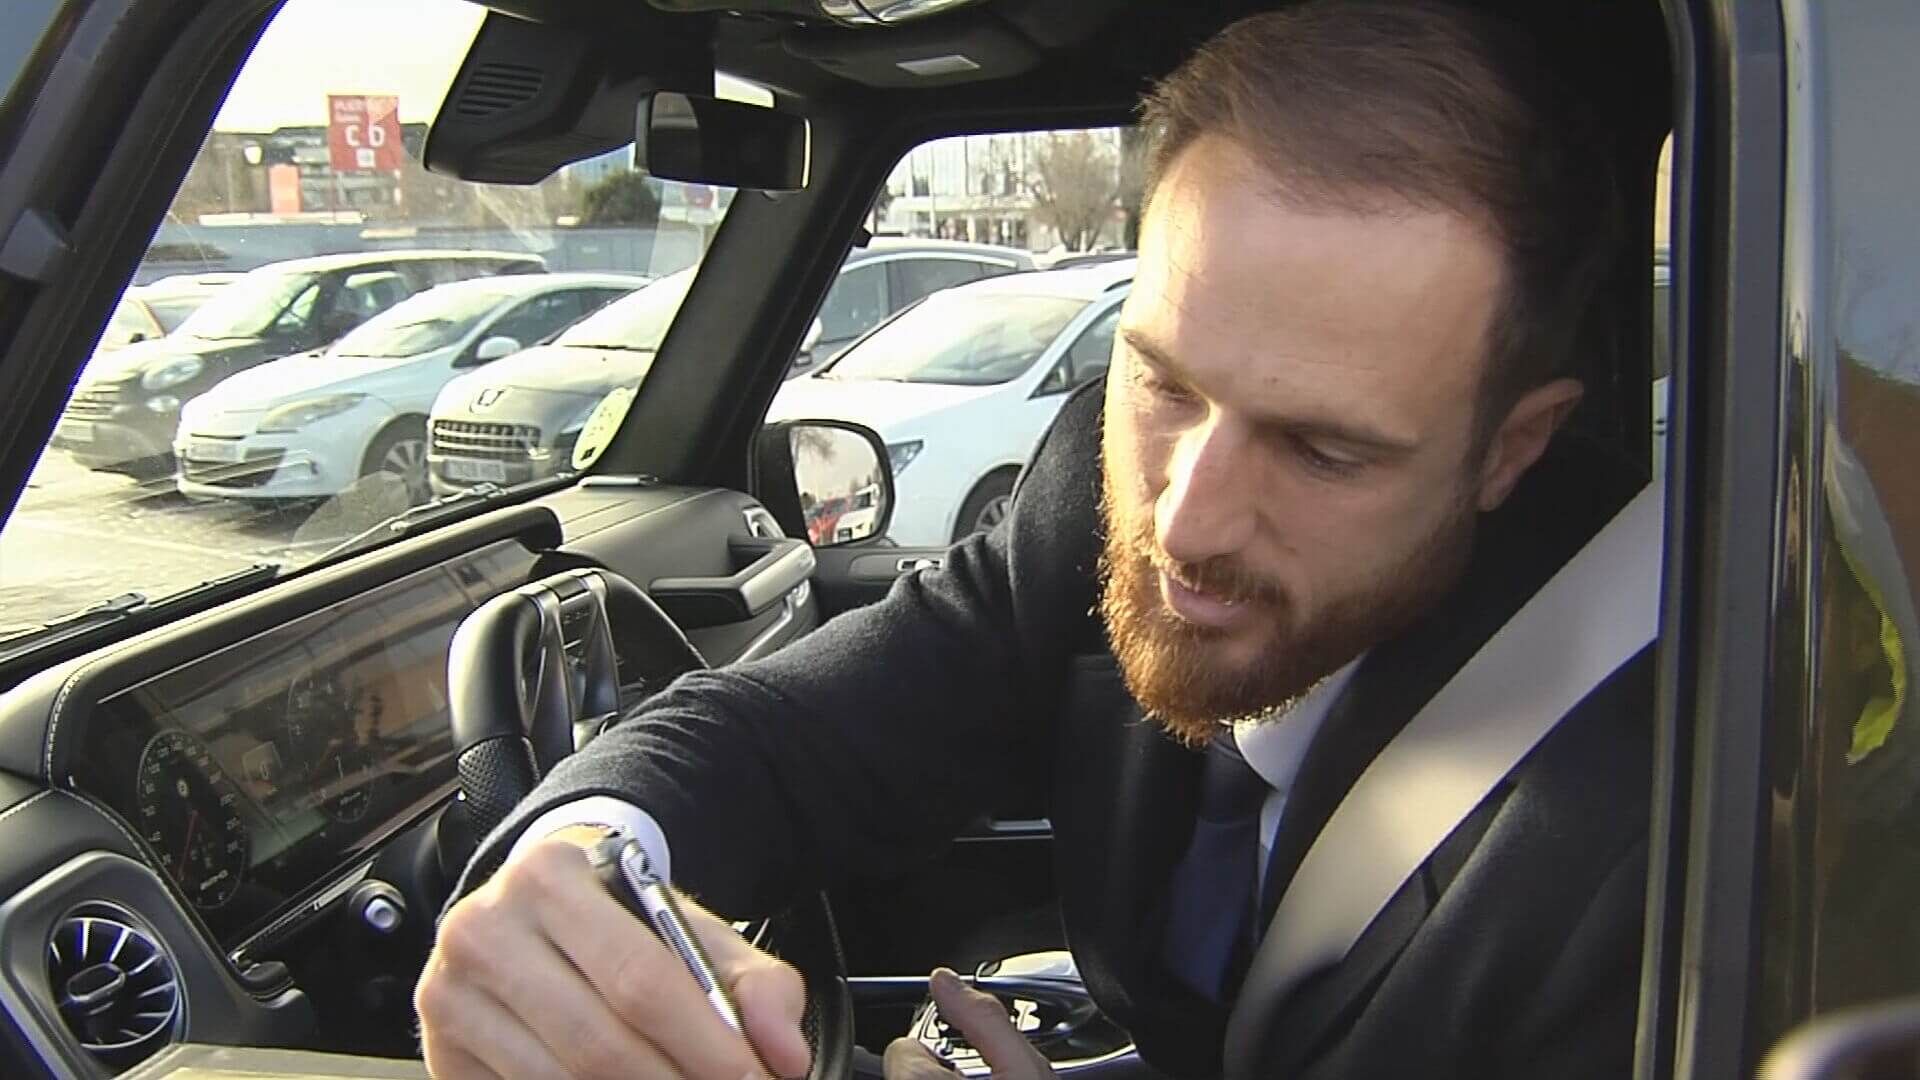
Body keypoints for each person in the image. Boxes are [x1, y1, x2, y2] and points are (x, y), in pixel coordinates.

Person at [413, 2, 1651, 1077]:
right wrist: (578, 865)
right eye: (1164, 383)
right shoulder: (1090, 491)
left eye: (1324, 452)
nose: (1186, 518)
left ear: (1510, 450)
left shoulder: (1652, 822)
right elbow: (786, 738)